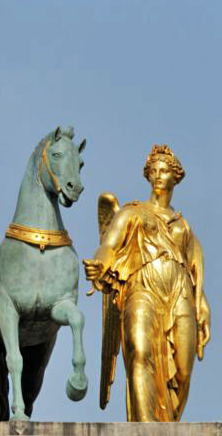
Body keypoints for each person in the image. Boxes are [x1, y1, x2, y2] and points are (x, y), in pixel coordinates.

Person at [84, 145, 210, 421]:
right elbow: (109, 245)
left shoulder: (184, 226)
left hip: (180, 294)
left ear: (176, 177)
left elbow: (194, 271)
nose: (158, 176)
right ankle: (145, 425)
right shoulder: (132, 212)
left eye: (164, 171)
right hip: (142, 289)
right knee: (139, 353)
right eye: (153, 171)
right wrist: (100, 263)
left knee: (184, 370)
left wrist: (202, 305)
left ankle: (168, 423)